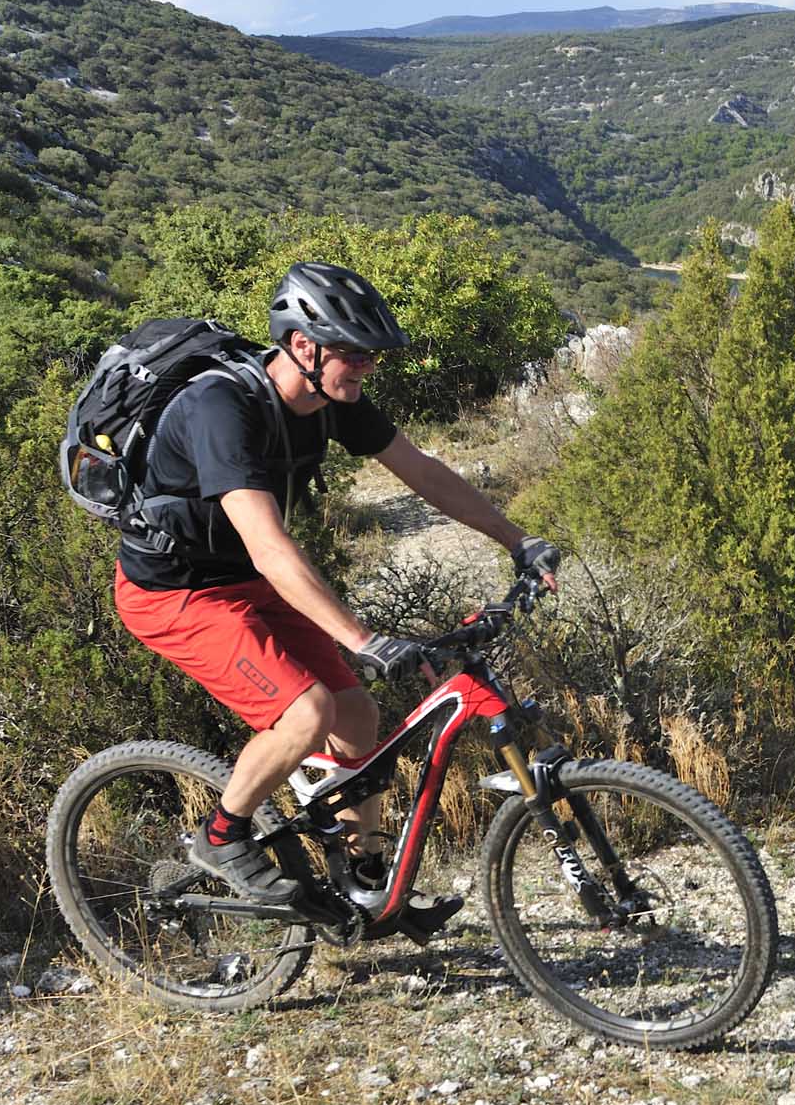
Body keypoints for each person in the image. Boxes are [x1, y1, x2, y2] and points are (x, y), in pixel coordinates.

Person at [112, 261, 559, 926]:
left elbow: (424, 473)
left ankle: (366, 886)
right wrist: (359, 637)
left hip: (249, 580)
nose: (367, 367)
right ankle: (221, 837)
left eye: (370, 354)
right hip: (175, 593)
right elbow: (269, 545)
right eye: (353, 352)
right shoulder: (220, 408)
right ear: (301, 345)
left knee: (357, 720)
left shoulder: (329, 403)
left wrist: (517, 539)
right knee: (307, 711)